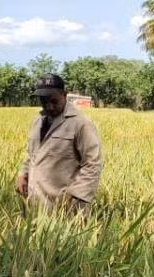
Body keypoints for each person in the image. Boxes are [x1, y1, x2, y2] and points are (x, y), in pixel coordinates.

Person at [15, 74, 102, 215]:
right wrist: (22, 174)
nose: (49, 106)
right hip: (34, 202)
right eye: (44, 101)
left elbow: (92, 164)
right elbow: (31, 154)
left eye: (54, 101)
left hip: (64, 206)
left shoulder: (80, 124)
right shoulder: (37, 121)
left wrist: (75, 196)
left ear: (65, 95)